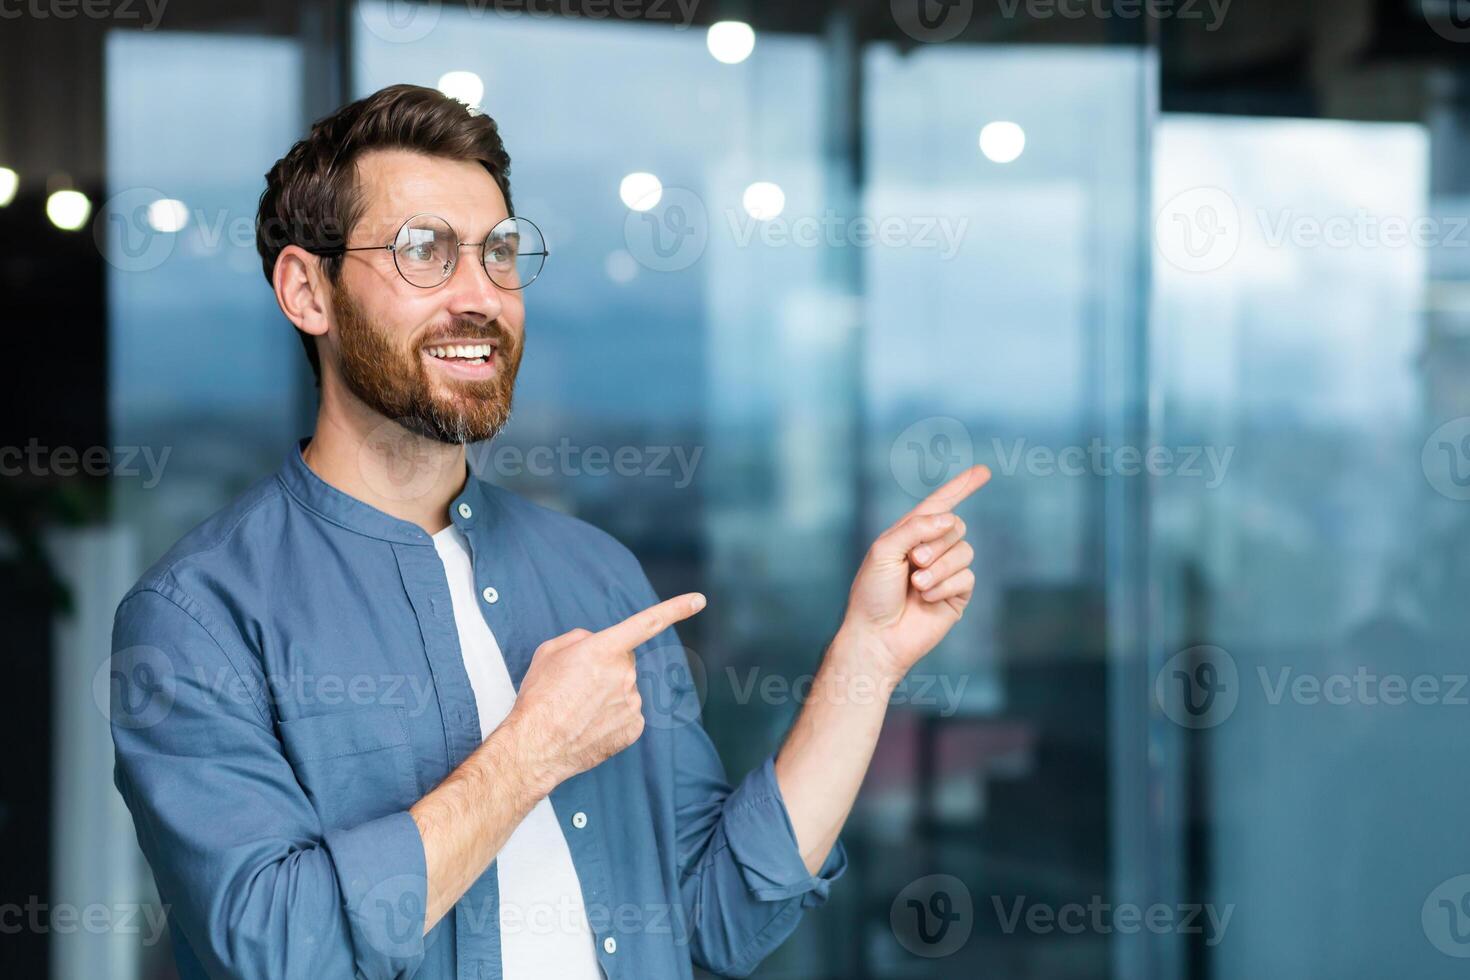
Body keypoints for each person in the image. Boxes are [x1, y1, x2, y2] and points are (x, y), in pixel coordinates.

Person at [108, 83, 986, 980]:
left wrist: (867, 660)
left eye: (499, 254)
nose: (480, 296)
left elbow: (717, 913)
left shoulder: (594, 573)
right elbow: (276, 950)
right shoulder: (198, 617)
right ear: (307, 290)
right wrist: (530, 754)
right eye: (425, 252)